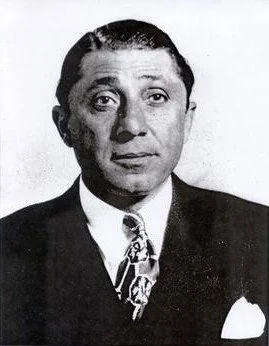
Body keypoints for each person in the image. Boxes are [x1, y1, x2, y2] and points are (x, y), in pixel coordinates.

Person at [0, 19, 268, 346]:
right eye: (104, 100)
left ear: (187, 119)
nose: (132, 126)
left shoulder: (259, 233)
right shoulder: (9, 247)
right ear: (64, 125)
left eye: (155, 96)